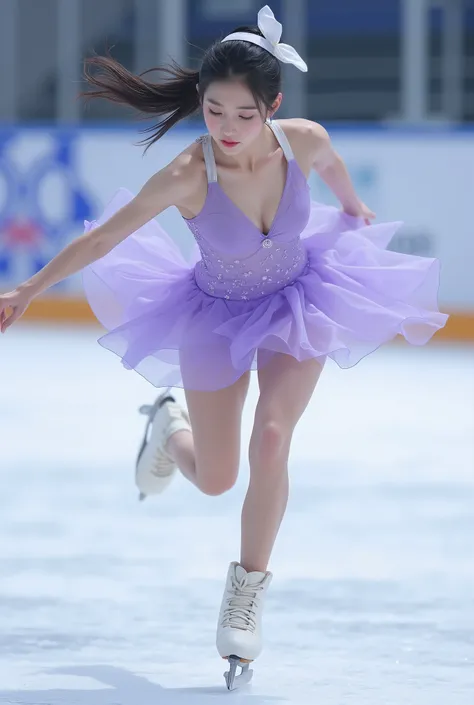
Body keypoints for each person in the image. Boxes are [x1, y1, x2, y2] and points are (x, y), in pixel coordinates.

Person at [0, 5, 448, 690]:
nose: (228, 129)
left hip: (299, 299)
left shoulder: (302, 141)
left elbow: (332, 168)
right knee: (216, 477)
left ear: (273, 104)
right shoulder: (188, 174)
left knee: (273, 438)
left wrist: (353, 207)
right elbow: (101, 240)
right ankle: (166, 423)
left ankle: (247, 591)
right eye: (214, 112)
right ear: (201, 105)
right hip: (214, 315)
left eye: (244, 114)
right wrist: (29, 287)